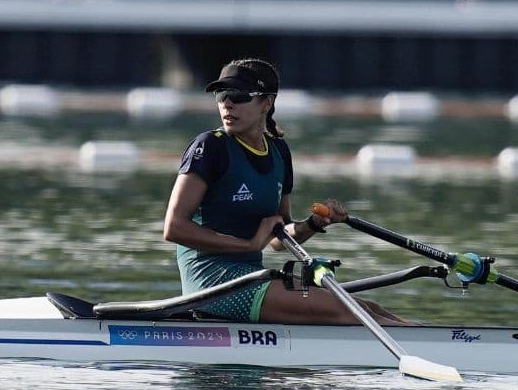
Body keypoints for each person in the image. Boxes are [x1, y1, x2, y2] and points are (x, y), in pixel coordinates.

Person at [162, 58, 410, 325]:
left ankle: (445, 343)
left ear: (266, 103)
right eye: (221, 95)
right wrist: (248, 244)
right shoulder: (210, 147)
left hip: (252, 276)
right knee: (349, 312)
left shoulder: (279, 151)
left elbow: (279, 238)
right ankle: (443, 351)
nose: (227, 104)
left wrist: (314, 224)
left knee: (369, 308)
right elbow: (174, 228)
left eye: (238, 95)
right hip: (212, 285)